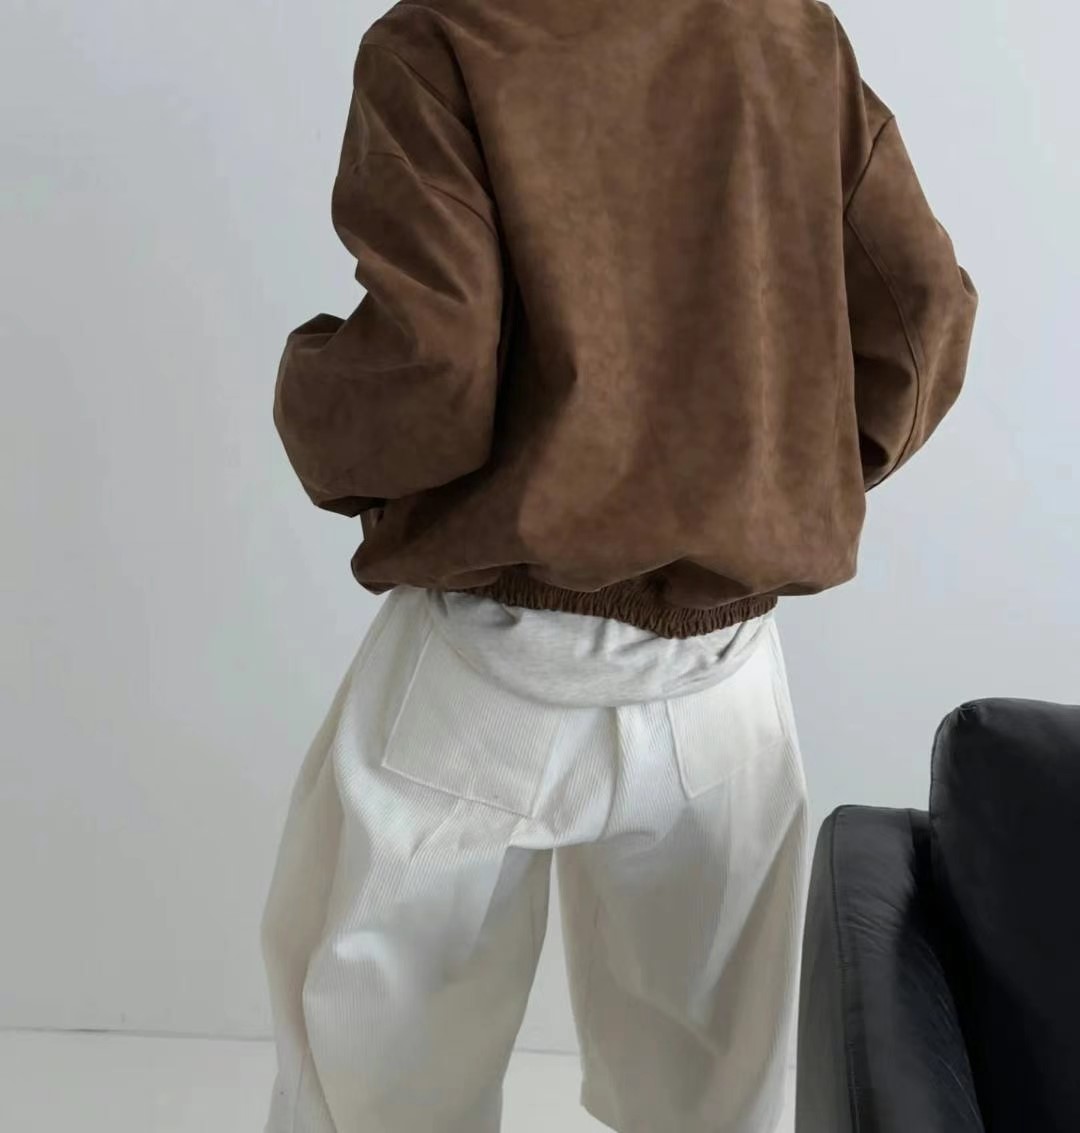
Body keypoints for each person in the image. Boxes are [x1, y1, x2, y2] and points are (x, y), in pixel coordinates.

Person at [262, 0, 978, 1129]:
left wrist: (309, 399)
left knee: (377, 1087)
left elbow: (431, 367)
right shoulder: (787, 32)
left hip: (484, 669)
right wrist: (788, 474)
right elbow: (924, 309)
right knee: (716, 1102)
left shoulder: (442, 40)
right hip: (721, 684)